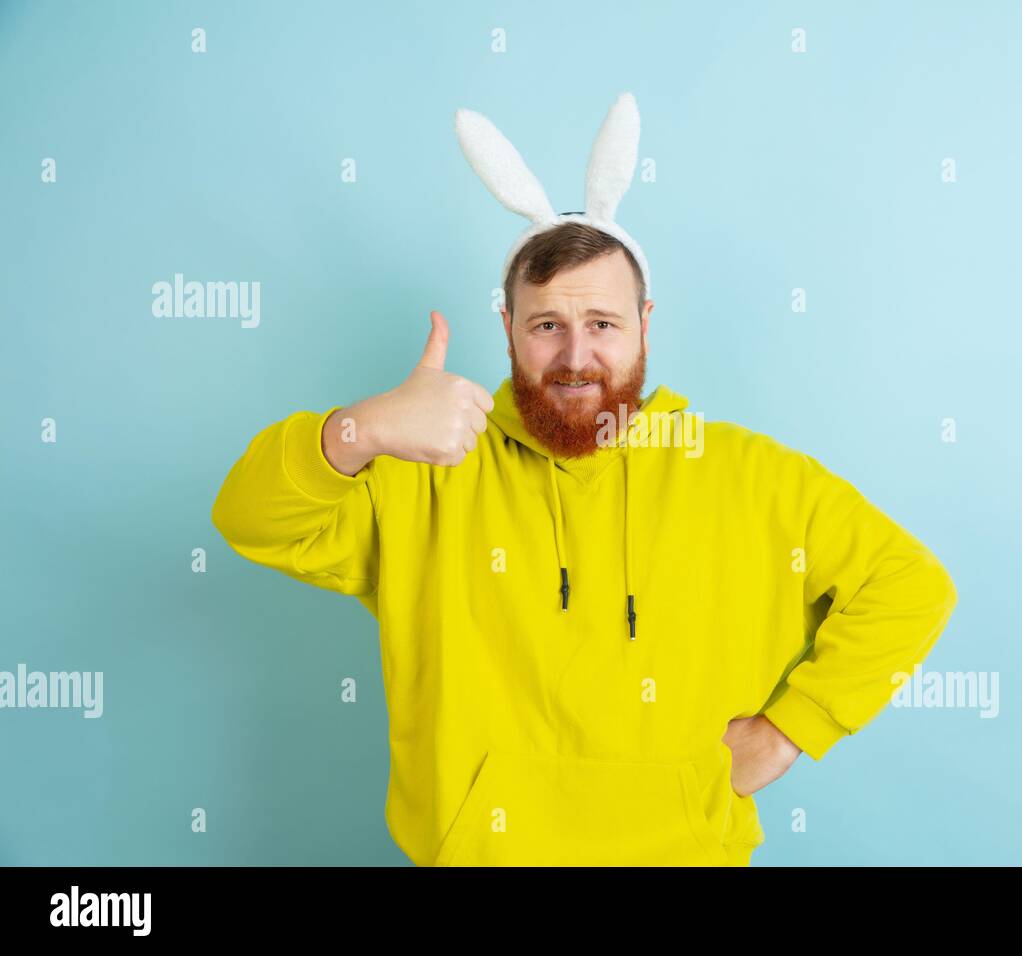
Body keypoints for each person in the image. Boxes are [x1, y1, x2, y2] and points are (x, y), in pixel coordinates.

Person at [210, 95, 958, 867]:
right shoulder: (422, 472)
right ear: (506, 328)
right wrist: (361, 428)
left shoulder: (750, 475)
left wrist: (792, 729)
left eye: (603, 323)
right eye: (547, 326)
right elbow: (248, 518)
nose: (575, 357)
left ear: (645, 323)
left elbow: (911, 585)